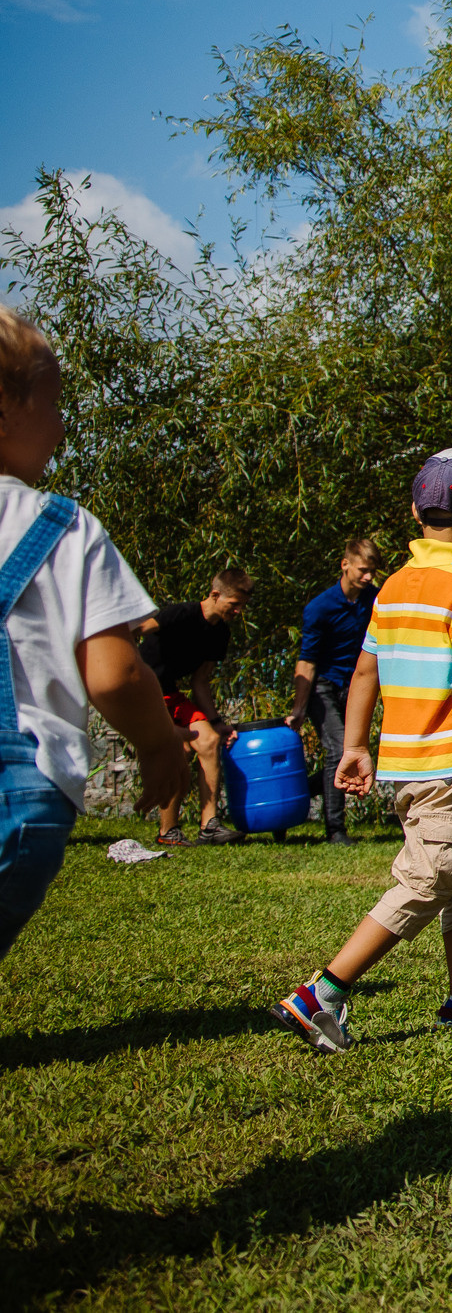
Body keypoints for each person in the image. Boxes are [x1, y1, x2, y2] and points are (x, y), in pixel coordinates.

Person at [269, 450, 452, 1051]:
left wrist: (354, 746)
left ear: (416, 513)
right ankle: (323, 992)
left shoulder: (396, 585)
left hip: (410, 763)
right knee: (431, 876)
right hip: (445, 764)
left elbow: (365, 671)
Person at [0, 305, 188, 959]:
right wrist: (161, 745)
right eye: (52, 405)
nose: (61, 423)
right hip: (18, 791)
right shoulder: (59, 526)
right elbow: (114, 671)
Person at [137, 567, 253, 846]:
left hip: (171, 694)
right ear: (215, 594)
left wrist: (215, 721)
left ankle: (209, 826)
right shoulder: (181, 614)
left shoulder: (219, 633)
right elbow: (138, 630)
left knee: (210, 740)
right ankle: (168, 831)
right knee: (181, 750)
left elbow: (200, 681)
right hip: (145, 693)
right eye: (234, 604)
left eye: (242, 607)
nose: (237, 612)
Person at [287, 536, 382, 845]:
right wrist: (299, 708)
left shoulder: (376, 600)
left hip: (354, 687)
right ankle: (335, 830)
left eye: (372, 571)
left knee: (345, 752)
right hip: (323, 688)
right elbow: (307, 662)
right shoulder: (320, 608)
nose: (368, 577)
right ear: (345, 565)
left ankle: (292, 792)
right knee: (340, 749)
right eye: (363, 570)